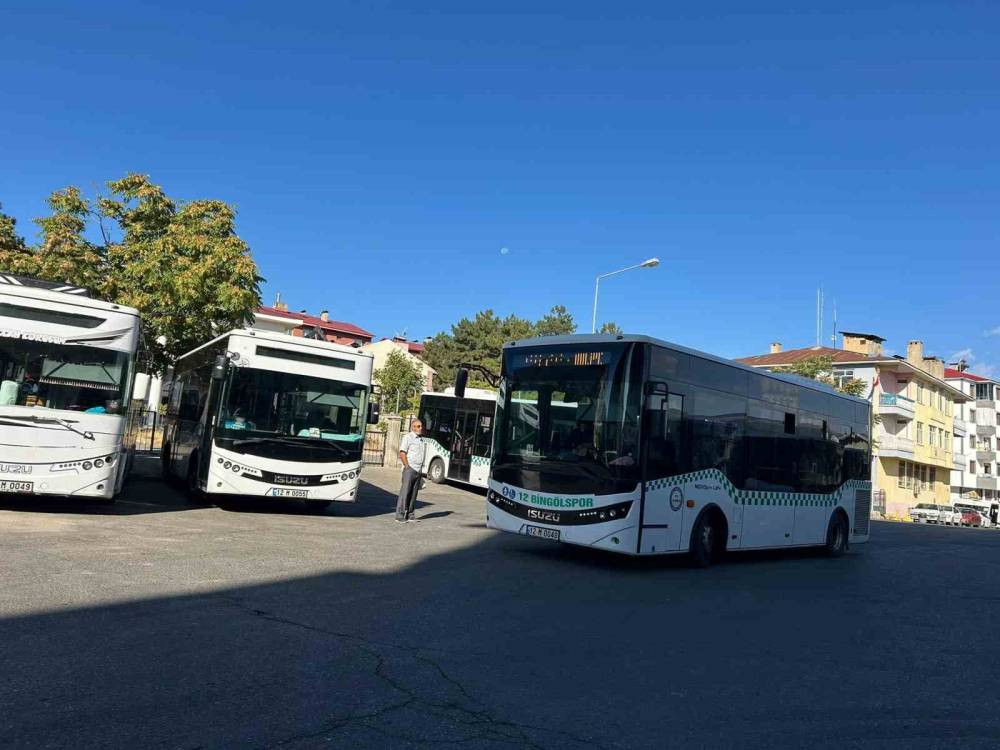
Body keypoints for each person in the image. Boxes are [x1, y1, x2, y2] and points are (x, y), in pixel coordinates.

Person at [395, 418, 426, 523]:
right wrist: (407, 466)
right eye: (418, 426)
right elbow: (402, 452)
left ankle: (410, 514)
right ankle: (400, 515)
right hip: (410, 469)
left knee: (414, 493)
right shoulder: (408, 437)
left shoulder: (421, 439)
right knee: (405, 492)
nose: (420, 428)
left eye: (421, 426)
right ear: (413, 427)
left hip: (418, 470)